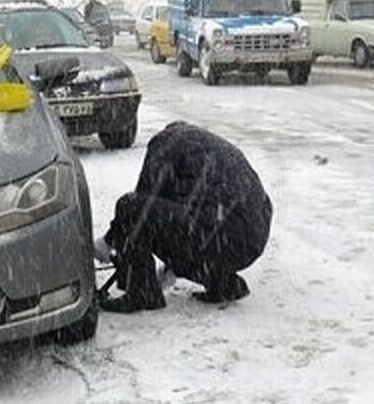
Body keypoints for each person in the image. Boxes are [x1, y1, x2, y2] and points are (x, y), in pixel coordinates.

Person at [96, 121, 271, 313]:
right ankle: (224, 285)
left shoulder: (166, 142)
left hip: (222, 230)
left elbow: (142, 201)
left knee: (130, 206)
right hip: (250, 239)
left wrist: (109, 241)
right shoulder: (206, 149)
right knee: (197, 231)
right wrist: (173, 264)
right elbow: (182, 215)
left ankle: (142, 295)